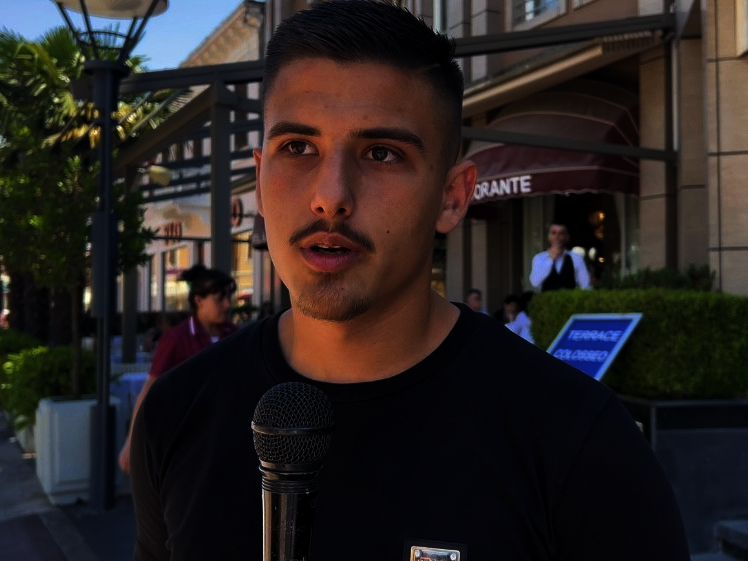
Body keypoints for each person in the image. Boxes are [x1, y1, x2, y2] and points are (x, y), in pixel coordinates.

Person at [129, 2, 689, 560]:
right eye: (297, 148)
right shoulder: (176, 414)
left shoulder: (578, 443)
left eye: (381, 154)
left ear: (452, 197)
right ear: (259, 177)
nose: (330, 196)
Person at [118, 264, 237, 475]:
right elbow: (149, 390)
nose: (227, 305)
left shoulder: (233, 333)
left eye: (229, 298)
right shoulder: (176, 339)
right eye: (219, 299)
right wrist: (131, 443)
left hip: (228, 438)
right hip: (189, 444)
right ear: (199, 301)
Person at [529, 222, 591, 291]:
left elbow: (586, 286)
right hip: (546, 297)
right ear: (548, 236)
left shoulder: (576, 258)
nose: (557, 237)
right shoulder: (539, 258)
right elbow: (535, 283)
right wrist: (550, 259)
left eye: (561, 233)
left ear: (567, 237)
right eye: (553, 233)